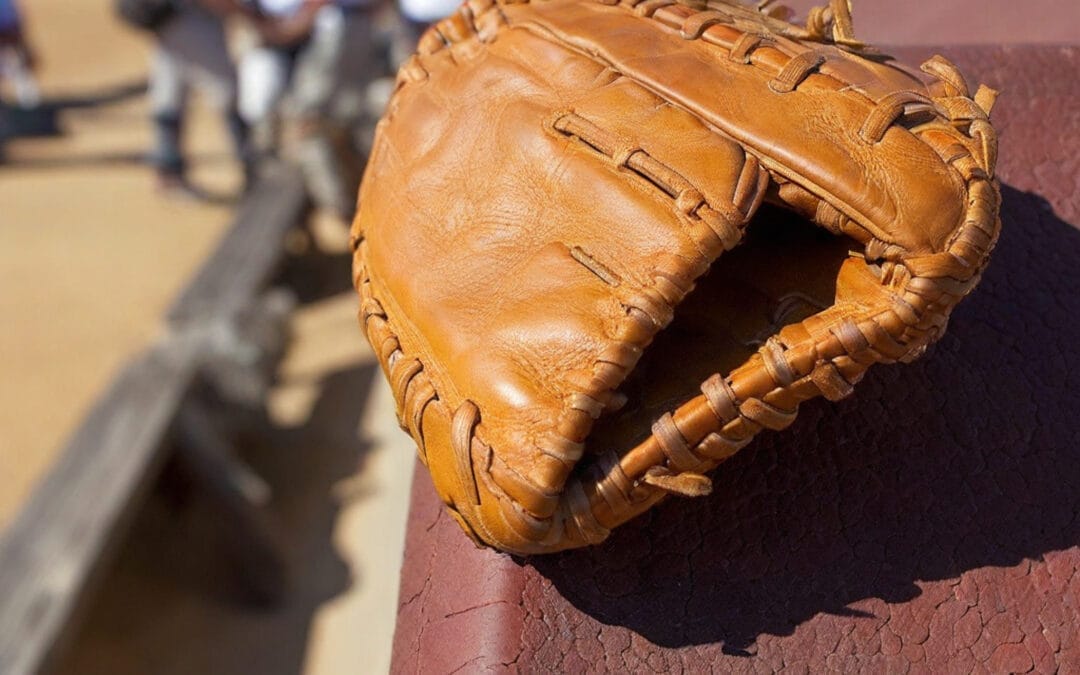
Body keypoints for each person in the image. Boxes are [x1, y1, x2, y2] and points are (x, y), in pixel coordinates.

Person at [238, 0, 375, 220]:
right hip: (277, 37)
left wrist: (291, 27)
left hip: (323, 36)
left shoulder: (337, 24)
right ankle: (263, 174)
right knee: (266, 108)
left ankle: (343, 211)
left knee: (313, 127)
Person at [147, 0, 254, 197]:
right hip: (188, 17)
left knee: (170, 92)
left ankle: (168, 172)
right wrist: (247, 13)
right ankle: (253, 169)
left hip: (171, 18)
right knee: (229, 92)